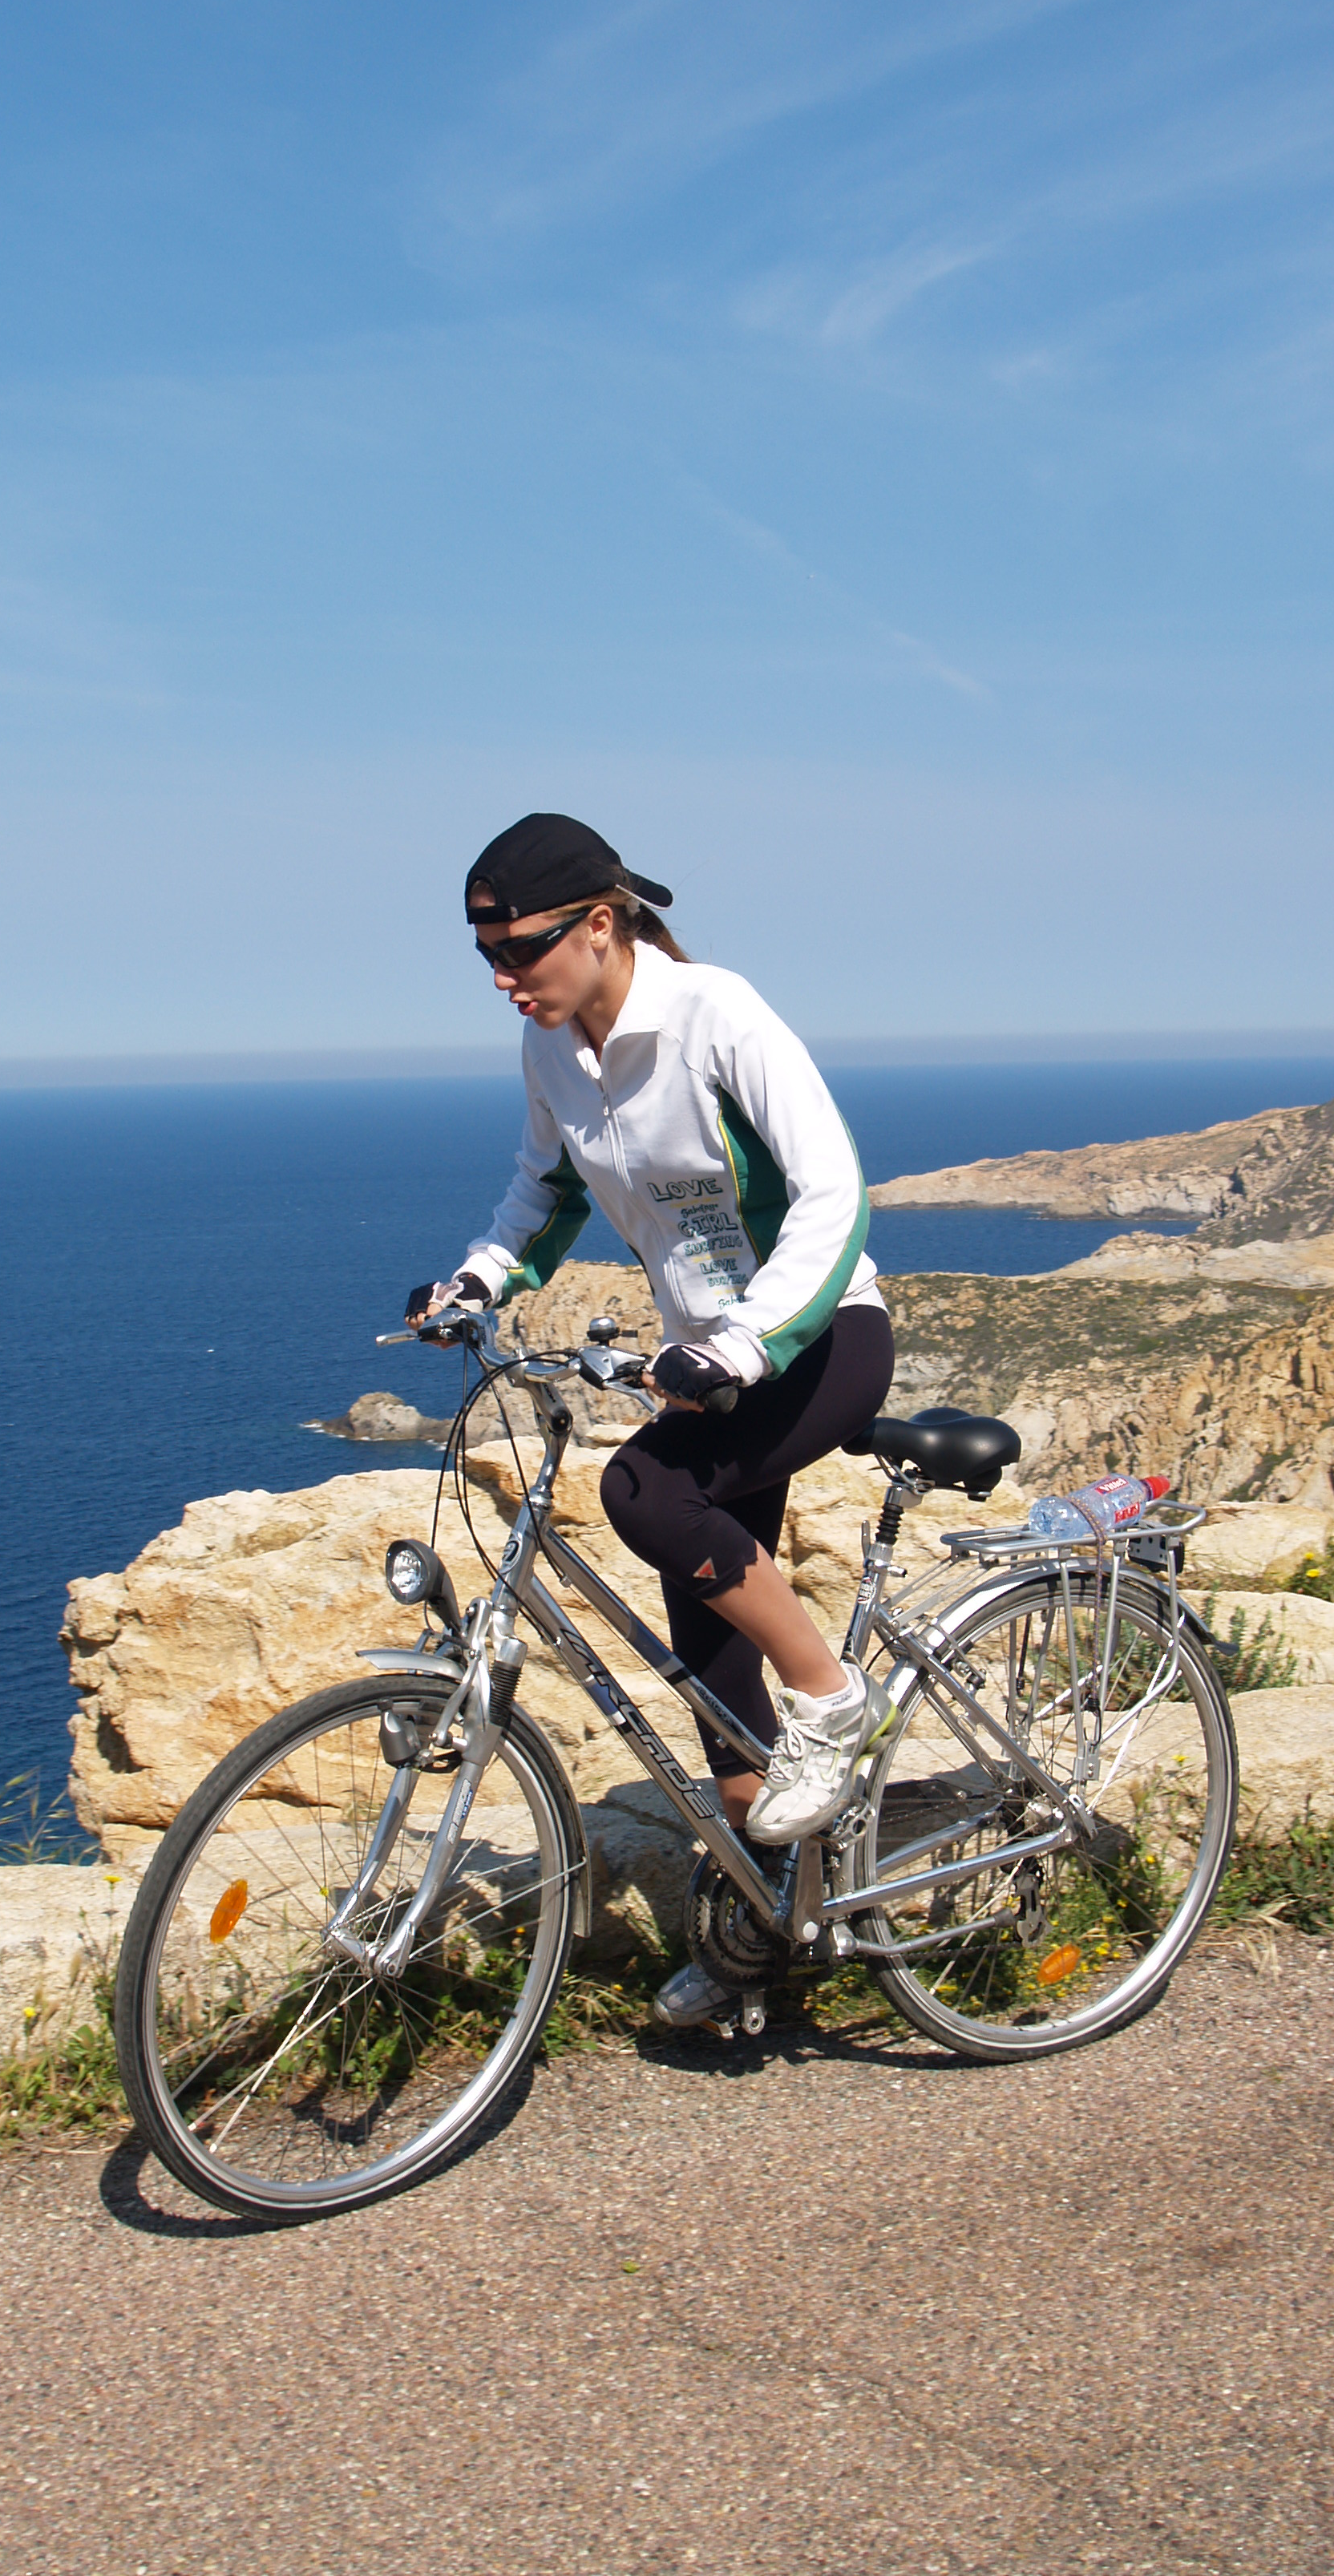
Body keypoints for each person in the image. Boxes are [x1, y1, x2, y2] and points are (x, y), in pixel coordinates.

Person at [406, 811, 895, 2030]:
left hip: (819, 1340)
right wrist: (479, 1276)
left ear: (605, 922)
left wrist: (747, 1339)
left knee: (644, 1494)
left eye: (524, 950)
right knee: (705, 1652)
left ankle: (835, 1704)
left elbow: (835, 1192)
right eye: (488, 961)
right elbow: (546, 1191)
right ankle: (773, 1923)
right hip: (710, 1364)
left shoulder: (717, 1012)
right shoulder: (555, 1052)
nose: (508, 981)